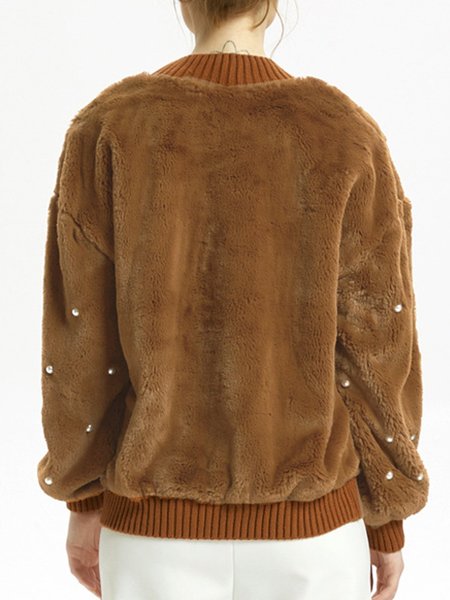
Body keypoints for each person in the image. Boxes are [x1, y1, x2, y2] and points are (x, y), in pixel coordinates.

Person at [36, 1, 429, 599]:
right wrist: (387, 516)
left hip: (151, 538)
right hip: (314, 541)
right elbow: (376, 347)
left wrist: (84, 496)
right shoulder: (345, 133)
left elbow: (82, 342)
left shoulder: (109, 127)